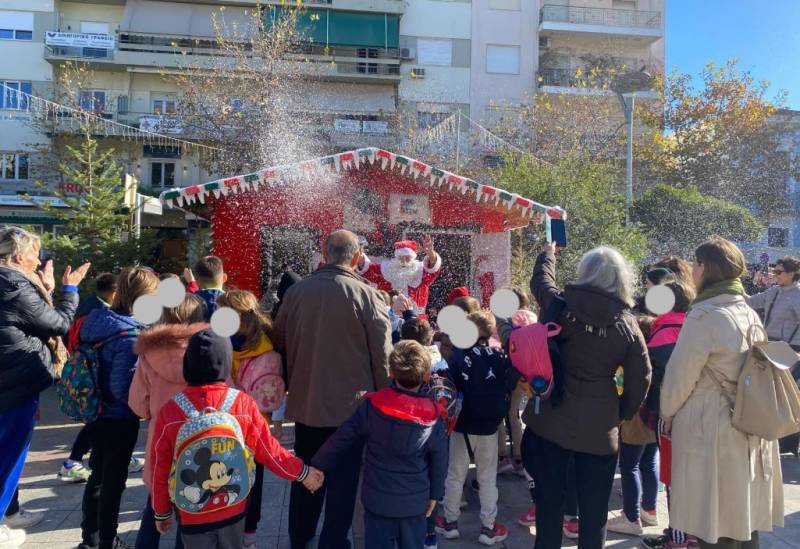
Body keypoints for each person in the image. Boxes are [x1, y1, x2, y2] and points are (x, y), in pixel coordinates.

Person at [524, 243, 651, 549]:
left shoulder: (560, 305)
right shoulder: (627, 324)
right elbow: (641, 376)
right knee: (594, 514)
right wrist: (622, 412)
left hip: (549, 422)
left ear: (584, 272)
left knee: (550, 505)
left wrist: (549, 253)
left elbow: (541, 281)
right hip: (599, 429)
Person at [661, 237, 784, 549]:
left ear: (704, 268)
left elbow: (679, 377)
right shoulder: (748, 312)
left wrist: (667, 415)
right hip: (748, 421)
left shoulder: (704, 315)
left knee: (713, 518)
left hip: (711, 426)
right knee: (742, 517)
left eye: (695, 263)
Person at [272, 229, 393, 549]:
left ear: (324, 255)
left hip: (306, 404)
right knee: (343, 483)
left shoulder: (296, 294)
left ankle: (299, 539)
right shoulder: (368, 295)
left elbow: (279, 342)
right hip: (352, 412)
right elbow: (383, 356)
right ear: (356, 258)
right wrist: (385, 401)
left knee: (306, 475)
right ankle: (334, 542)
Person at [150, 329, 324, 548]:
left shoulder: (171, 410)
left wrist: (161, 511)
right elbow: (269, 450)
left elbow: (160, 467)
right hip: (233, 504)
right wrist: (303, 473)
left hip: (191, 511)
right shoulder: (241, 403)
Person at [0, 227, 90, 547]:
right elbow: (58, 324)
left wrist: (47, 289)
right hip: (13, 383)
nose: (39, 261)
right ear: (18, 256)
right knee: (10, 452)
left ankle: (9, 512)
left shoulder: (12, 282)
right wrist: (69, 290)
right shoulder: (13, 284)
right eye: (35, 254)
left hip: (10, 379)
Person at [313, 340, 448, 549]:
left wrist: (317, 465)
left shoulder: (372, 406)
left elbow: (343, 437)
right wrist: (435, 495)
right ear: (426, 376)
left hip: (377, 499)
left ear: (391, 373)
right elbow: (440, 460)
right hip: (414, 501)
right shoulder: (433, 416)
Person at [78, 266, 159, 549]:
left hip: (94, 408)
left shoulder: (98, 320)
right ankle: (107, 541)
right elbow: (121, 387)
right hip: (118, 416)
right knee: (113, 480)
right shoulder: (128, 335)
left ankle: (90, 537)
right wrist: (144, 407)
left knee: (97, 475)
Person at [609, 277, 696, 537]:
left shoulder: (663, 332)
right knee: (651, 460)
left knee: (630, 464)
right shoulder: (692, 327)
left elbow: (649, 376)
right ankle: (649, 510)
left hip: (652, 411)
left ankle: (632, 518)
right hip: (684, 412)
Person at [129, 293, 206, 549]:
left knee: (155, 507)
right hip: (199, 441)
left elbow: (138, 404)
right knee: (192, 513)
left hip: (162, 440)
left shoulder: (149, 354)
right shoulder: (208, 351)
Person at [436, 310, 519, 546]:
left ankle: (450, 522)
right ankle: (488, 527)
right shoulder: (499, 356)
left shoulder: (458, 357)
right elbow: (510, 382)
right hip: (490, 426)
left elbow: (448, 387)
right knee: (487, 477)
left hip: (462, 425)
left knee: (455, 474)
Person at [217, 290, 286, 549]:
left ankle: (246, 537)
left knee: (246, 486)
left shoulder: (262, 352)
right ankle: (239, 536)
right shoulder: (228, 343)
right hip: (239, 430)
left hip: (244, 431)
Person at [633, 280, 695, 549]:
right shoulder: (697, 327)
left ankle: (678, 539)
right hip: (703, 415)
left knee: (675, 479)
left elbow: (652, 381)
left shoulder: (662, 336)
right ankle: (692, 535)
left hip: (670, 418)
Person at [61, 272, 119, 484]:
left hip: (86, 370)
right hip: (94, 373)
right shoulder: (100, 314)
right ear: (114, 292)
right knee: (96, 419)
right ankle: (72, 461)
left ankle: (79, 460)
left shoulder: (87, 307)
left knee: (98, 419)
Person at [358, 236, 442, 316]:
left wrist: (431, 253)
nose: (404, 261)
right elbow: (367, 269)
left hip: (415, 319)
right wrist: (359, 253)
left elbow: (433, 269)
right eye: (400, 258)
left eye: (407, 258)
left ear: (413, 257)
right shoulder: (386, 270)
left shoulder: (420, 271)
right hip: (389, 318)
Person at [184, 256, 227, 321]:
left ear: (197, 282)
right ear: (224, 278)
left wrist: (192, 283)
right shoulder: (234, 303)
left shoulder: (187, 305)